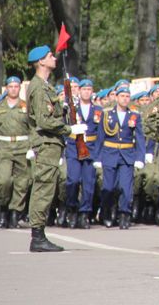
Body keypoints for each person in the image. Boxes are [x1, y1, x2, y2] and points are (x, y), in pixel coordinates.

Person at [24, 45, 87, 252]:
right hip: (46, 142)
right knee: (43, 188)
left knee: (47, 187)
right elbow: (43, 120)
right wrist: (69, 129)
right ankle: (38, 237)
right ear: (41, 62)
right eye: (50, 56)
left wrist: (65, 109)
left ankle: (39, 235)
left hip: (50, 143)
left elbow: (50, 114)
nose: (54, 58)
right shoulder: (39, 87)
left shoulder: (44, 86)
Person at [0, 76, 32, 229]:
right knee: (3, 180)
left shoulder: (26, 106)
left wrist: (32, 147)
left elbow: (33, 129)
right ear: (6, 88)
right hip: (4, 147)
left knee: (22, 182)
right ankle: (2, 208)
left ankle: (15, 212)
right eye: (11, 86)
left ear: (20, 88)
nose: (13, 89)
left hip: (23, 146)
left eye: (16, 86)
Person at [98, 86, 146, 229]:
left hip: (127, 155)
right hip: (109, 153)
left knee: (126, 188)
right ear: (117, 98)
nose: (125, 99)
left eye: (127, 96)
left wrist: (140, 157)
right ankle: (107, 212)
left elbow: (139, 137)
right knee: (108, 187)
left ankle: (124, 214)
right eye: (122, 96)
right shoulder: (107, 114)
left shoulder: (134, 115)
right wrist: (97, 157)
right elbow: (100, 136)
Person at [65, 78, 102, 229]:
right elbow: (63, 127)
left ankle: (84, 213)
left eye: (89, 89)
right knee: (73, 180)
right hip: (74, 147)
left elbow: (101, 134)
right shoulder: (71, 108)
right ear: (79, 91)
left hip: (91, 148)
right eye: (84, 89)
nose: (86, 92)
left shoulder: (98, 110)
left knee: (88, 184)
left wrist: (99, 155)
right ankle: (72, 208)